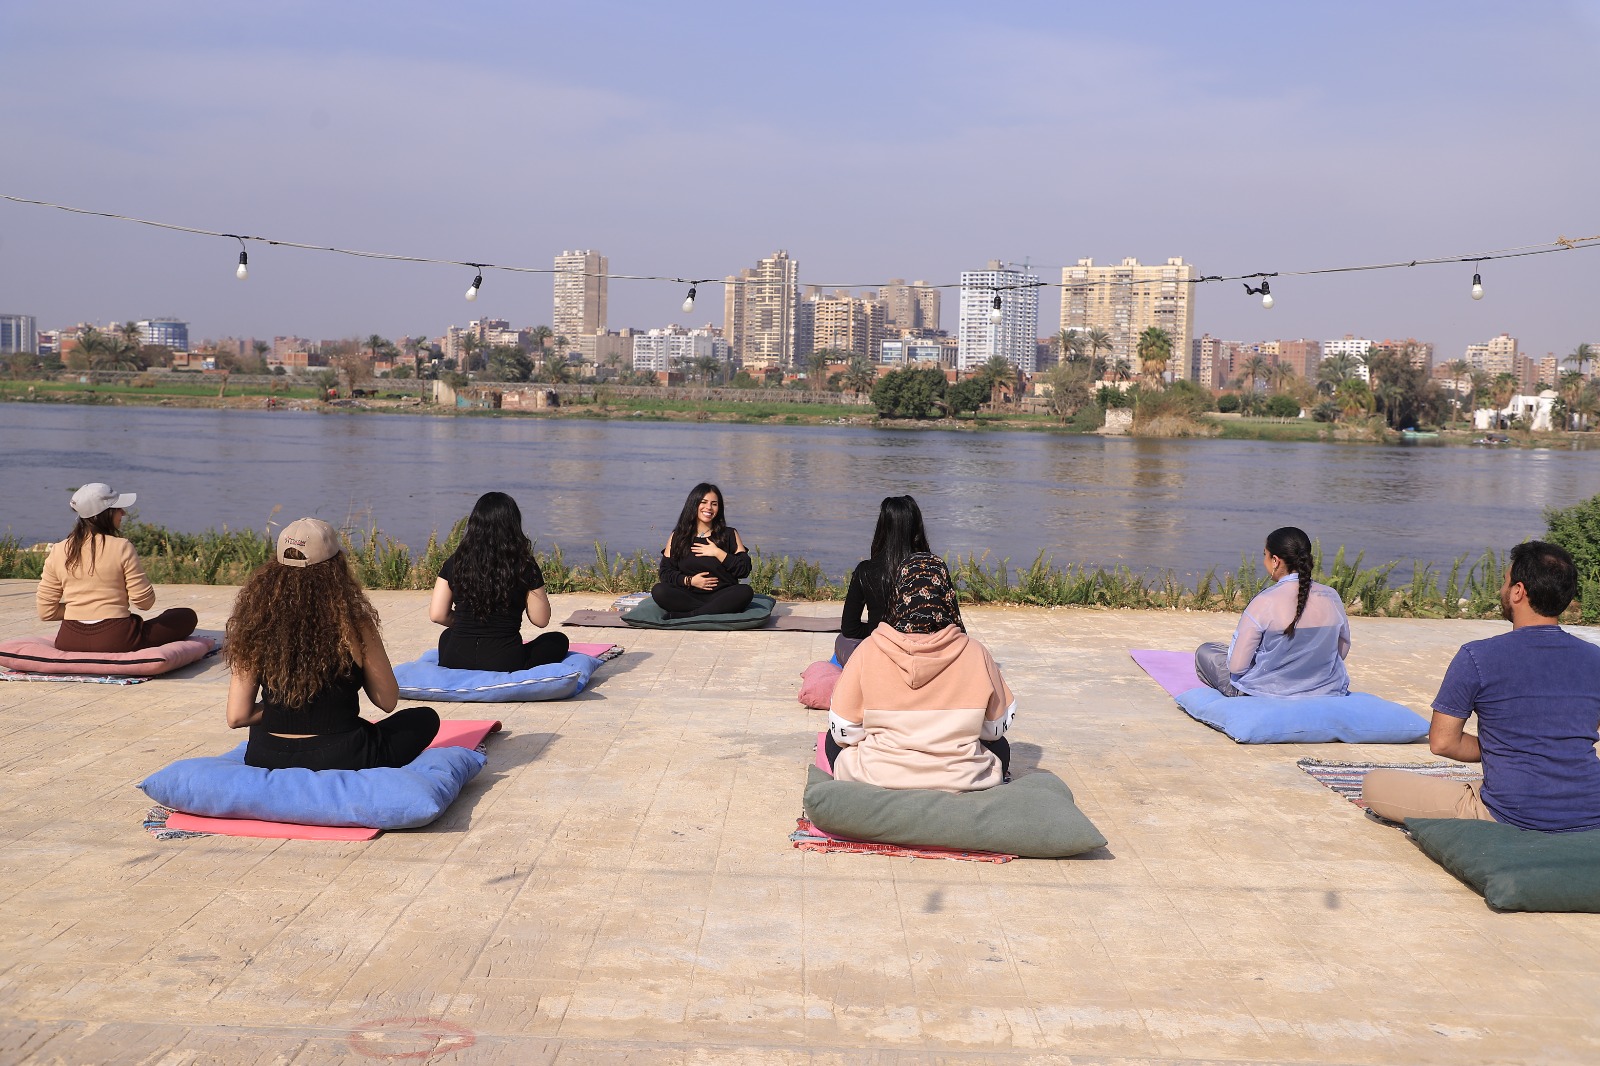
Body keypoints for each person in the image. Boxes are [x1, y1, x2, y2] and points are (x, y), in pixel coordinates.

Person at [1362, 541, 1600, 831]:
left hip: (1511, 814)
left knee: (1375, 784)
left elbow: (1442, 742)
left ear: (1518, 591)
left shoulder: (1477, 656)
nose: (1502, 589)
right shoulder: (1595, 658)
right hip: (1589, 809)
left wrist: (1506, 749)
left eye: (1505, 581)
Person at [225, 517, 439, 770]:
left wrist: (288, 709)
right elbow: (387, 700)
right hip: (340, 755)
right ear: (335, 566)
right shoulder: (354, 623)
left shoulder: (255, 623)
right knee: (424, 719)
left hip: (268, 755)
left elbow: (238, 716)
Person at [825, 553, 1016, 791]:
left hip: (877, 776)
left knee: (831, 743)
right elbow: (995, 728)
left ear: (897, 595)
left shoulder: (869, 649)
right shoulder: (975, 652)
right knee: (1001, 748)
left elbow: (844, 732)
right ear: (947, 595)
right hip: (961, 778)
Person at [35, 482, 198, 653]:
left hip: (70, 639)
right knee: (185, 616)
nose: (123, 513)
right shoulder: (122, 547)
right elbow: (145, 603)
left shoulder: (59, 550)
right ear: (104, 514)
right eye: (118, 508)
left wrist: (82, 608)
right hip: (117, 639)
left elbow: (46, 612)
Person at [1195, 526, 1350, 698]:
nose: (1264, 561)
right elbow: (1342, 649)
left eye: (1265, 555)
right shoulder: (1331, 596)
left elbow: (1237, 667)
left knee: (1206, 652)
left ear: (1275, 561)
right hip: (1325, 688)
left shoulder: (1264, 601)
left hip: (1265, 692)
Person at [430, 492, 569, 672]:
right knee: (557, 640)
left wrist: (471, 626)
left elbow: (437, 615)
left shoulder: (455, 561)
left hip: (455, 658)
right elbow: (540, 620)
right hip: (504, 661)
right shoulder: (524, 565)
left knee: (448, 636)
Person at [836, 495, 931, 666]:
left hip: (883, 654)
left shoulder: (866, 571)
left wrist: (877, 628)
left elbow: (849, 628)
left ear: (882, 528)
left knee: (842, 641)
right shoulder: (932, 569)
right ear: (917, 531)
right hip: (924, 654)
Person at [649, 483, 755, 618]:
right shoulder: (678, 536)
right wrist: (689, 581)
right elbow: (665, 572)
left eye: (714, 504)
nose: (709, 508)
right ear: (693, 504)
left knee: (745, 591)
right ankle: (708, 612)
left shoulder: (729, 534)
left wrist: (718, 553)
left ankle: (690, 615)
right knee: (659, 590)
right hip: (689, 596)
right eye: (703, 502)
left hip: (722, 596)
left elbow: (744, 569)